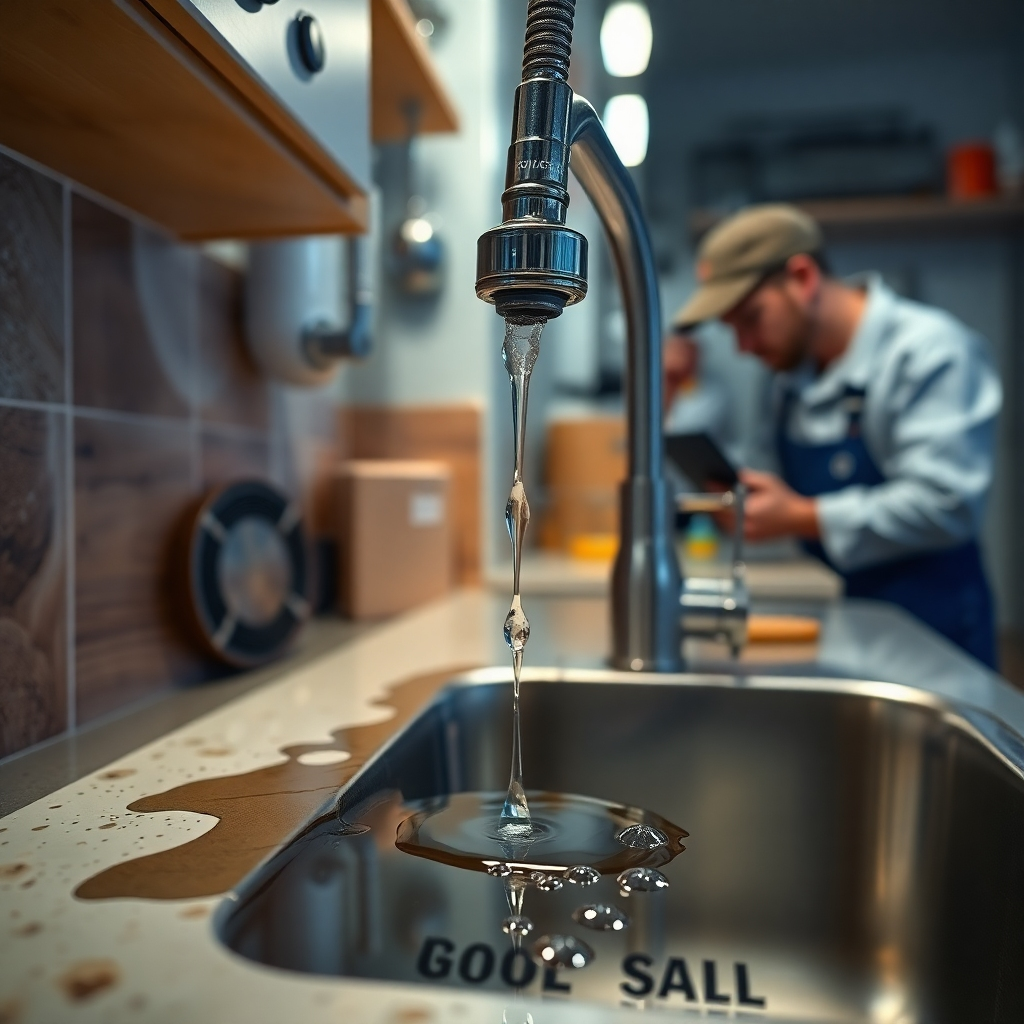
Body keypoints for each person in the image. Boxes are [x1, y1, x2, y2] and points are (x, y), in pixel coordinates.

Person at [672, 204, 1002, 667]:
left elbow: (948, 503)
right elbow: (766, 471)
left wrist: (803, 516)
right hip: (842, 624)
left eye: (750, 319)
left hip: (935, 628)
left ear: (803, 278)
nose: (744, 348)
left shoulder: (930, 352)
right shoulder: (787, 379)